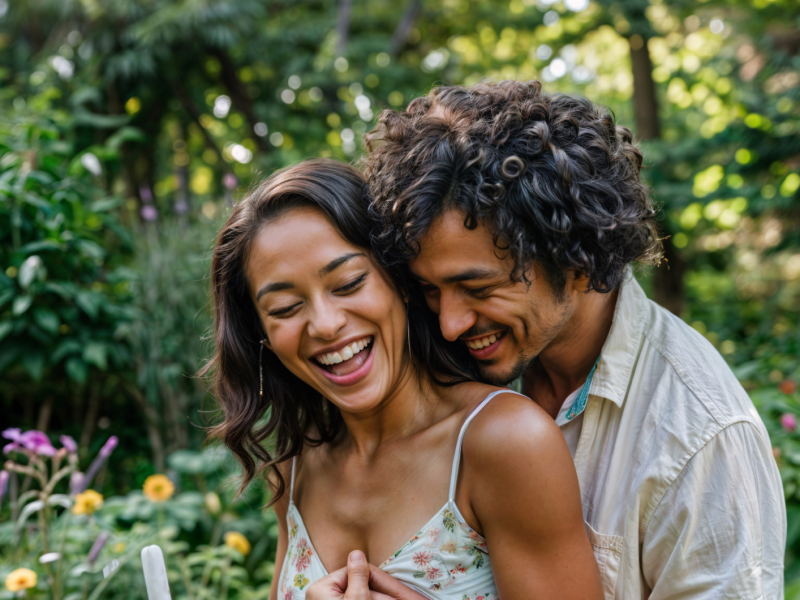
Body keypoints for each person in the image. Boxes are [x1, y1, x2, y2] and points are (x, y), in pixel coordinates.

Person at [364, 79, 786, 599]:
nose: (450, 323)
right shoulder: (443, 360)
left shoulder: (699, 439)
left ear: (577, 258)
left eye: (479, 288)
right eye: (431, 289)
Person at [204, 159, 604, 600]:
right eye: (283, 309)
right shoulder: (295, 467)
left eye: (349, 283)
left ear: (401, 281)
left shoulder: (505, 442)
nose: (324, 324)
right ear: (261, 334)